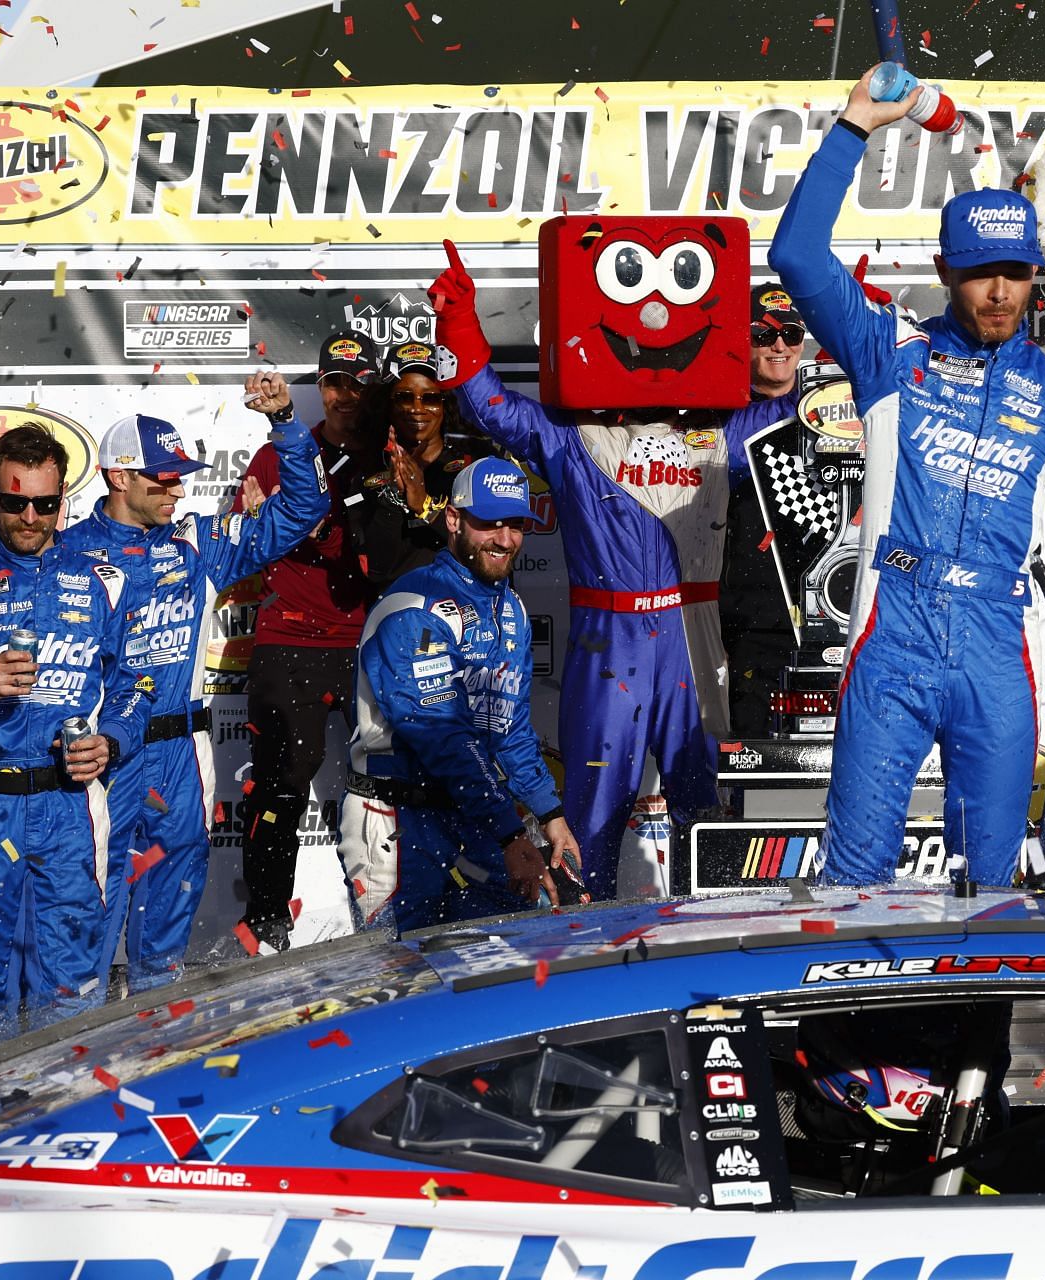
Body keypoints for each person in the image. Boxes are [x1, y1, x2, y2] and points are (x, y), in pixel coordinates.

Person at [767, 68, 1045, 889]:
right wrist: (855, 126)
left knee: (992, 887)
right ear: (946, 270)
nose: (1000, 291)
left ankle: (971, 1018)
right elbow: (795, 255)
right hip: (893, 636)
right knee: (854, 881)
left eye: (1015, 270)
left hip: (993, 647)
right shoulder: (889, 352)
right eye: (981, 272)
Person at [428, 247, 792, 898]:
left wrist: (845, 327)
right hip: (609, 645)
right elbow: (484, 404)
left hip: (692, 640)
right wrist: (457, 320)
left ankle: (717, 945)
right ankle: (578, 961)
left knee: (706, 813)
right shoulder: (570, 434)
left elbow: (796, 411)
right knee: (591, 819)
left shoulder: (715, 432)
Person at [60, 383, 325, 989]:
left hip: (183, 752)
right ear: (117, 477)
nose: (178, 489)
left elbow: (304, 510)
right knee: (85, 934)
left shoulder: (198, 543)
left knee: (165, 942)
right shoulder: (66, 553)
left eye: (182, 476)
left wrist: (285, 421)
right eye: (164, 478)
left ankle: (154, 1053)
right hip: (104, 759)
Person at [340, 457, 581, 932]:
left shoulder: (510, 609)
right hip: (397, 819)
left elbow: (508, 728)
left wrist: (550, 813)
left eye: (515, 525)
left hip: (471, 817)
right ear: (453, 520)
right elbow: (443, 737)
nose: (505, 539)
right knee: (401, 974)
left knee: (496, 959)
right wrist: (512, 835)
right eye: (488, 524)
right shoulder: (415, 604)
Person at [232, 330, 387, 951]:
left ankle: (400, 913)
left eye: (357, 385)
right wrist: (257, 516)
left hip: (372, 641)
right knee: (278, 786)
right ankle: (268, 921)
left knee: (392, 783)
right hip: (291, 637)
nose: (345, 397)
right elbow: (245, 533)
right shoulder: (280, 453)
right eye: (333, 384)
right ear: (318, 388)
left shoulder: (389, 454)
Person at [0, 425, 149, 1036]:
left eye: (46, 503)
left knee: (72, 987)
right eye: (14, 502)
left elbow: (136, 683)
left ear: (64, 499)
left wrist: (109, 742)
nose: (30, 516)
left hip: (70, 809)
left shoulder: (103, 578)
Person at [723, 283, 807, 736]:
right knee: (750, 746)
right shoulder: (718, 409)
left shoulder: (832, 399)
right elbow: (735, 454)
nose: (779, 344)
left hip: (827, 606)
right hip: (749, 613)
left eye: (791, 333)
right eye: (763, 333)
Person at [355, 340, 494, 587]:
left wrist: (426, 506)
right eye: (404, 397)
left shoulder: (479, 460)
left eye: (430, 397)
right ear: (388, 403)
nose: (416, 409)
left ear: (446, 402)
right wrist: (392, 497)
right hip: (400, 613)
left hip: (471, 608)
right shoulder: (366, 469)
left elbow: (490, 550)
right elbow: (376, 569)